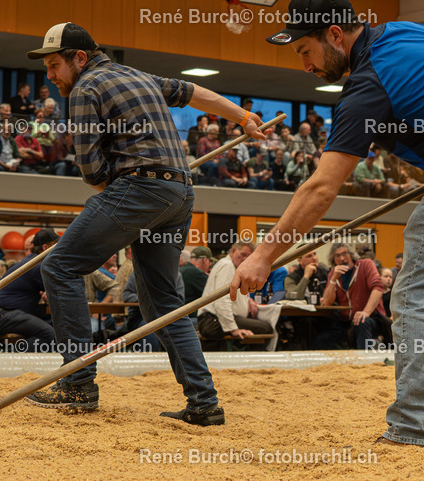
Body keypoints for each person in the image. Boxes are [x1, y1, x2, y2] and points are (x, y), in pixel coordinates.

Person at [231, 0, 424, 449]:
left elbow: (319, 189)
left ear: (335, 34)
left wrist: (263, 256)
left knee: (415, 298)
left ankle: (413, 428)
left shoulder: (365, 87)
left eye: (305, 50)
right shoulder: (405, 31)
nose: (306, 66)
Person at [25, 22, 262, 424]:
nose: (49, 76)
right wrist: (243, 117)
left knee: (59, 266)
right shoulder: (138, 75)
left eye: (53, 65)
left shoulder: (84, 89)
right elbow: (193, 92)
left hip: (139, 189)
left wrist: (120, 206)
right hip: (180, 192)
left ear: (78, 58)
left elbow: (92, 170)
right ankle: (204, 403)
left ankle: (78, 384)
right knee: (164, 302)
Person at [0, 229, 58, 351]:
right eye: (56, 247)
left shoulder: (31, 262)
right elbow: (58, 293)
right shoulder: (37, 265)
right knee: (49, 334)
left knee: (53, 323)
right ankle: (8, 356)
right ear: (45, 247)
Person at [197, 242, 277, 351]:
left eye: (249, 257)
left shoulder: (232, 266)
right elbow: (221, 300)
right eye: (243, 255)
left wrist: (248, 300)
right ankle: (255, 362)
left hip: (217, 319)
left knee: (263, 326)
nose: (245, 259)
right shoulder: (227, 266)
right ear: (233, 250)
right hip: (213, 321)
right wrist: (233, 329)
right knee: (265, 328)